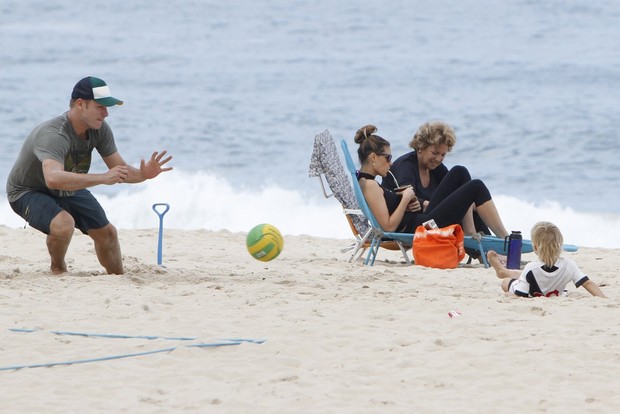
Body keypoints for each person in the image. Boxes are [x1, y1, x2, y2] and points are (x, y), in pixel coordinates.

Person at [6, 76, 173, 275]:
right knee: (64, 223)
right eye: (100, 107)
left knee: (108, 233)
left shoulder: (99, 130)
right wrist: (103, 178)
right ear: (80, 104)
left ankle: (118, 278)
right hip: (27, 191)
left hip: (66, 187)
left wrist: (143, 174)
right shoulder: (54, 134)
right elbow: (53, 178)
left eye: (107, 107)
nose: (106, 113)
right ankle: (58, 269)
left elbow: (120, 171)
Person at [353, 124, 509, 237]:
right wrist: (406, 199)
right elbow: (388, 227)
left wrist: (409, 201)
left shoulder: (370, 183)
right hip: (422, 227)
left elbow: (456, 191)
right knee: (475, 186)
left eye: (443, 155)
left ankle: (485, 240)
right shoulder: (371, 184)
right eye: (388, 158)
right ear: (373, 157)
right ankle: (503, 238)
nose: (391, 163)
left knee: (461, 174)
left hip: (421, 220)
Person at [487, 222, 607, 298]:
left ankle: (503, 272)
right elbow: (587, 283)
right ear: (560, 245)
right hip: (554, 291)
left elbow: (519, 295)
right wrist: (603, 299)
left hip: (531, 290)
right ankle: (504, 271)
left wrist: (506, 296)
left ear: (535, 248)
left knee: (506, 282)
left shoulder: (531, 268)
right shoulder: (569, 265)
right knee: (524, 275)